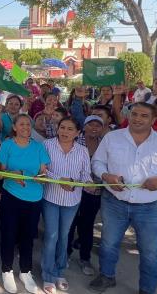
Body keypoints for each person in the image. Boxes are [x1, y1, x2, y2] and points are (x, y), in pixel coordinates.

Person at [88, 102, 157, 294]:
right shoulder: (112, 137)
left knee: (150, 253)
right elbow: (97, 162)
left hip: (151, 207)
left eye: (144, 115)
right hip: (114, 202)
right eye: (134, 114)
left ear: (153, 120)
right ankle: (107, 276)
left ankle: (147, 289)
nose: (137, 119)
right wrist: (106, 176)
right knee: (108, 243)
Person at [0, 114, 49, 294]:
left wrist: (42, 178)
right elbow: (0, 173)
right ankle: (7, 270)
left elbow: (44, 172)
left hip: (34, 198)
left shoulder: (39, 147)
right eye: (22, 124)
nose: (26, 127)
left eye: (28, 124)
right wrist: (13, 173)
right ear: (14, 127)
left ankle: (26, 272)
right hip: (11, 196)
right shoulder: (7, 145)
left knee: (28, 237)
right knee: (9, 235)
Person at [41, 117, 91, 294]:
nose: (65, 132)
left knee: (64, 237)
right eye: (62, 127)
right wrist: (58, 180)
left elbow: (86, 175)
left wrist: (85, 184)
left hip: (72, 201)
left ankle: (60, 272)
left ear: (77, 133)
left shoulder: (83, 151)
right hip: (50, 198)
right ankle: (48, 275)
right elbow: (43, 171)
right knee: (51, 237)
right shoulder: (47, 145)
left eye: (70, 129)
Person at [67, 115, 107, 276]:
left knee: (87, 225)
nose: (94, 128)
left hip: (94, 192)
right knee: (70, 223)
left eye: (98, 125)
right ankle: (66, 253)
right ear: (84, 127)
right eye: (91, 124)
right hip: (74, 189)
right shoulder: (75, 142)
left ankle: (85, 258)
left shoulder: (105, 144)